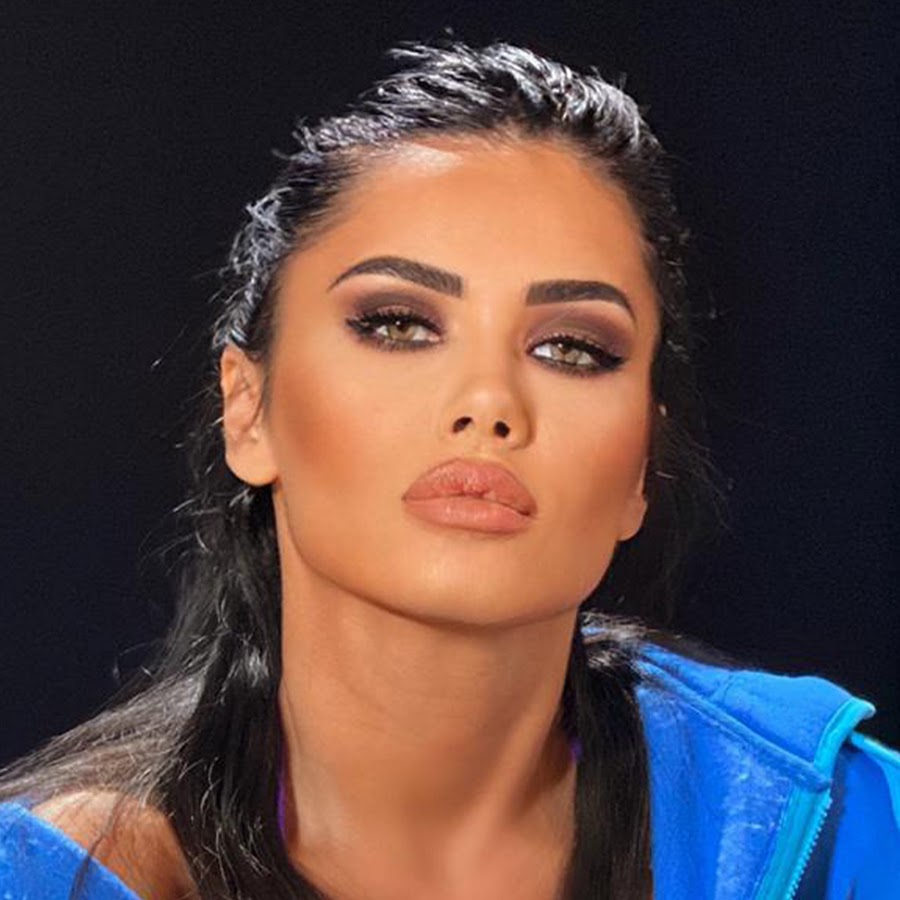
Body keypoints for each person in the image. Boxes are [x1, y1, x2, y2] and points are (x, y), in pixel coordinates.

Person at [0, 40, 897, 900]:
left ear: (641, 467)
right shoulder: (60, 877)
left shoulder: (842, 827)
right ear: (249, 409)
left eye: (572, 348)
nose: (489, 403)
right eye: (398, 324)